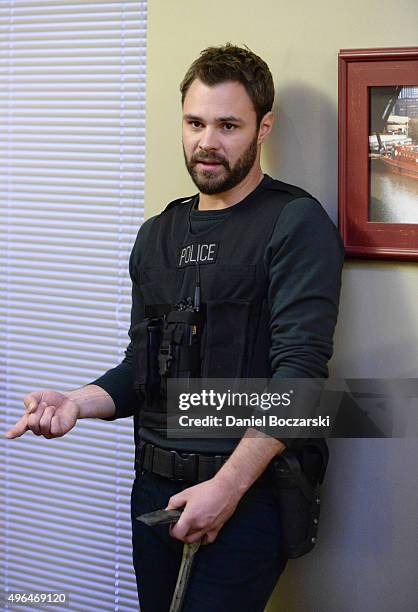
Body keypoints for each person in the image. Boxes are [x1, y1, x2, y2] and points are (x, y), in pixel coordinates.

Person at [5, 44, 344, 611]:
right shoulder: (156, 234)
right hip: (156, 490)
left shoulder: (295, 224)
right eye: (194, 122)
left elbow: (303, 385)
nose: (206, 141)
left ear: (264, 128)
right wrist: (76, 403)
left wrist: (227, 489)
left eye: (228, 125)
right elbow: (142, 369)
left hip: (246, 494)